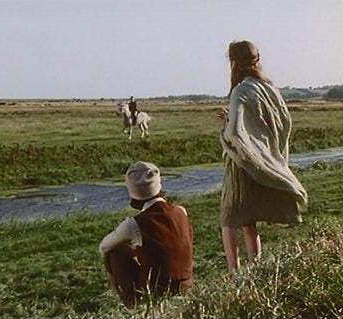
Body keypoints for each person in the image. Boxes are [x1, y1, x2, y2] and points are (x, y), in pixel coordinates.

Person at [216, 40, 308, 272]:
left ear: (233, 61)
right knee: (249, 222)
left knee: (228, 220)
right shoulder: (269, 89)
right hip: (257, 162)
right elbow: (278, 124)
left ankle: (234, 272)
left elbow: (236, 132)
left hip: (241, 165)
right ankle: (256, 269)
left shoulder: (241, 90)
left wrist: (226, 126)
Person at [99, 162, 193, 309]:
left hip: (156, 294)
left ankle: (133, 305)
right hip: (187, 288)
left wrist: (132, 250)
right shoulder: (181, 212)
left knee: (115, 254)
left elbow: (103, 247)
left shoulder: (134, 224)